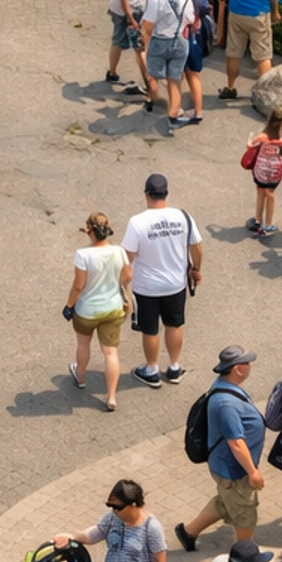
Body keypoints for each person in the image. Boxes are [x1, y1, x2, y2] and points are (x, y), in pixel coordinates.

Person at [123, 173, 202, 389]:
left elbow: (127, 256)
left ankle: (152, 369)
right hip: (176, 283)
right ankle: (174, 366)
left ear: (146, 194)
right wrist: (196, 269)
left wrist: (121, 282)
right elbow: (196, 246)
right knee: (175, 324)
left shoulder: (138, 222)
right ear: (166, 193)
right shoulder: (183, 217)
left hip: (146, 287)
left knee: (150, 329)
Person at [177, 345, 262, 546]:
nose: (250, 366)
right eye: (247, 363)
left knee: (226, 500)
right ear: (237, 369)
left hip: (229, 468)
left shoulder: (225, 385)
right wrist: (252, 472)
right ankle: (245, 555)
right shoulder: (226, 404)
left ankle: (188, 533)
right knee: (245, 512)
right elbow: (236, 443)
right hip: (233, 470)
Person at [63, 211, 129, 410]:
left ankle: (80, 377)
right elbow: (127, 277)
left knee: (83, 343)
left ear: (89, 230)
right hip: (113, 308)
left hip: (87, 310)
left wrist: (69, 306)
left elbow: (78, 286)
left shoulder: (83, 254)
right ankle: (111, 397)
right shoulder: (119, 251)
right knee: (111, 352)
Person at [141, 0, 197, 127]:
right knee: (175, 79)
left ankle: (151, 97)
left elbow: (148, 26)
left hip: (159, 40)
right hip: (179, 42)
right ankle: (173, 114)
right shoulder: (187, 0)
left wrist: (147, 43)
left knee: (153, 74)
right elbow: (190, 20)